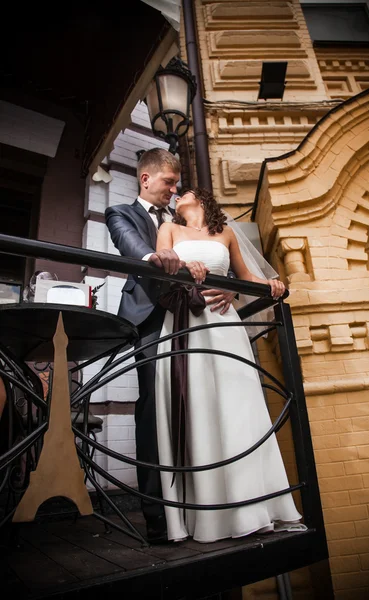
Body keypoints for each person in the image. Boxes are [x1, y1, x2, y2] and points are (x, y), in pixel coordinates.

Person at [154, 188, 303, 543]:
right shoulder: (168, 228)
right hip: (186, 324)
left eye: (184, 190)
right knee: (200, 408)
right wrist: (183, 268)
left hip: (225, 326)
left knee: (239, 409)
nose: (176, 195)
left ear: (202, 200)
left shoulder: (226, 234)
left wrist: (270, 285)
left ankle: (253, 506)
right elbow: (161, 261)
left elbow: (246, 277)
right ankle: (212, 514)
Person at [105, 149, 235, 544]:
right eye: (168, 182)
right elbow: (130, 243)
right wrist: (155, 255)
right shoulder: (121, 213)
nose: (175, 190)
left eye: (178, 185)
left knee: (203, 405)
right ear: (146, 179)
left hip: (195, 318)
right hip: (150, 320)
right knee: (151, 412)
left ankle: (206, 504)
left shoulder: (185, 221)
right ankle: (158, 520)